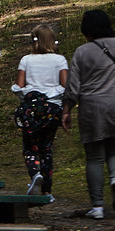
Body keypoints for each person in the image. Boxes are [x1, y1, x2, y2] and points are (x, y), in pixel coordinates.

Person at [62, 10, 115, 220]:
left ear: (86, 30)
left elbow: (73, 86)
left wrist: (66, 110)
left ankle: (98, 207)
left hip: (93, 108)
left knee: (94, 156)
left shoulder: (82, 52)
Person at [11, 24, 68, 202]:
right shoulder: (60, 60)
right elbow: (66, 85)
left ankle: (35, 173)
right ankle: (47, 192)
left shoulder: (26, 60)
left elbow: (19, 86)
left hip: (31, 110)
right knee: (47, 148)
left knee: (30, 147)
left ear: (34, 41)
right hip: (52, 109)